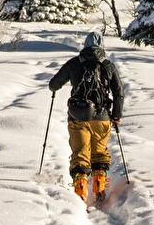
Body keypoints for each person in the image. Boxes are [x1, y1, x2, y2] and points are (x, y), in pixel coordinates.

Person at [48, 31, 125, 202]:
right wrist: (116, 115)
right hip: (102, 117)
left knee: (80, 154)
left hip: (77, 116)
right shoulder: (108, 66)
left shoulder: (74, 63)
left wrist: (55, 89)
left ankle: (80, 192)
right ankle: (98, 186)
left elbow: (53, 84)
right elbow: (119, 92)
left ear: (85, 45)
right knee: (99, 153)